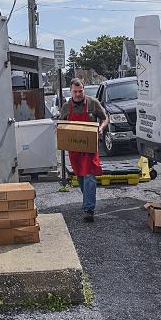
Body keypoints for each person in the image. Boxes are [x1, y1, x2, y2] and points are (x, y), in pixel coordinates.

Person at [60, 78, 109, 222]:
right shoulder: (66, 107)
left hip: (90, 149)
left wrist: (100, 129)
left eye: (80, 91)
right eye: (75, 92)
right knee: (81, 177)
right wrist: (58, 131)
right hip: (75, 150)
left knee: (89, 176)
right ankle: (87, 200)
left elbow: (105, 118)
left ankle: (89, 209)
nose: (77, 94)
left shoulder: (93, 103)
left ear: (84, 89)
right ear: (70, 91)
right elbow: (60, 124)